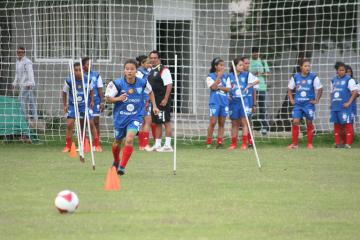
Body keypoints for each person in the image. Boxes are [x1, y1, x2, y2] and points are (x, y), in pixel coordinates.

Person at [105, 59, 159, 175]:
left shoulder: (143, 82)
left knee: (129, 139)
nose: (129, 71)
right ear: (124, 71)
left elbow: (150, 92)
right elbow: (108, 99)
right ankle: (116, 160)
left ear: (136, 71)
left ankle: (122, 167)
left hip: (135, 116)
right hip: (120, 118)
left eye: (132, 69)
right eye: (127, 69)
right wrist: (118, 99)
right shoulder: (117, 83)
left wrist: (154, 106)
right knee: (117, 141)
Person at [62, 62, 101, 152]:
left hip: (85, 105)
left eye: (80, 70)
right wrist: (65, 105)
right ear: (72, 71)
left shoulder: (88, 79)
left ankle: (96, 145)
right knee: (69, 124)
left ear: (83, 70)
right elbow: (64, 93)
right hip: (73, 105)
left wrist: (91, 100)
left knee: (91, 123)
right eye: (76, 70)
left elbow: (91, 90)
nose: (78, 72)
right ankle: (68, 146)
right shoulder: (69, 81)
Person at [287, 58, 323, 149]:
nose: (308, 68)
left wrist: (316, 100)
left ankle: (310, 144)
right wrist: (291, 99)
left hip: (308, 104)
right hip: (298, 104)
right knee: (295, 121)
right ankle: (294, 144)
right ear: (301, 67)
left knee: (309, 122)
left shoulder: (313, 77)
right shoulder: (295, 77)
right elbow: (289, 89)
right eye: (305, 66)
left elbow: (320, 88)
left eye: (309, 66)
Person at [228, 57, 259, 150]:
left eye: (243, 65)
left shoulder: (247, 75)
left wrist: (249, 85)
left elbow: (257, 80)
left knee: (244, 122)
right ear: (235, 66)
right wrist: (228, 95)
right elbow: (226, 88)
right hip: (233, 102)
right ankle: (233, 144)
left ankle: (244, 144)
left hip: (244, 101)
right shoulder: (229, 76)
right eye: (240, 65)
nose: (242, 67)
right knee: (234, 123)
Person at [147, 50, 173, 152]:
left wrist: (165, 98)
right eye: (151, 58)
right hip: (154, 101)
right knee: (157, 122)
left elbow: (169, 85)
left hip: (162, 101)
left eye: (155, 58)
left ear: (159, 59)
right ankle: (157, 145)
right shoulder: (151, 70)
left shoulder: (164, 70)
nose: (153, 60)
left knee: (165, 121)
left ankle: (167, 145)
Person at [330, 62, 358, 148]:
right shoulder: (333, 80)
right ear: (337, 71)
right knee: (337, 125)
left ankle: (348, 144)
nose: (341, 71)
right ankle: (338, 143)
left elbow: (355, 92)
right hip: (336, 106)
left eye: (343, 70)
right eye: (340, 70)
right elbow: (331, 93)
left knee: (348, 124)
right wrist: (331, 103)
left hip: (345, 107)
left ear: (345, 71)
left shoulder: (349, 80)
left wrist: (349, 102)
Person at [205, 57, 231, 149]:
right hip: (214, 102)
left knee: (222, 123)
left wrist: (219, 87)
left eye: (223, 65)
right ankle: (208, 141)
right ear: (216, 66)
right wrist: (218, 77)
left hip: (224, 102)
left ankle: (219, 142)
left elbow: (228, 89)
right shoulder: (210, 76)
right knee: (212, 122)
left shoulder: (227, 76)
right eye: (221, 65)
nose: (223, 67)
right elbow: (212, 87)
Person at [82, 57, 104, 151]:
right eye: (88, 64)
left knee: (96, 122)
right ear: (83, 66)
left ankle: (96, 144)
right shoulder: (79, 75)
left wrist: (102, 101)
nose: (90, 66)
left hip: (94, 102)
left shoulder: (96, 75)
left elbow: (100, 90)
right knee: (83, 123)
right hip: (82, 102)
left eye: (91, 64)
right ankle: (84, 143)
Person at [12, 46, 38, 121]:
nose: (20, 53)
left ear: (24, 53)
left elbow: (30, 72)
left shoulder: (27, 61)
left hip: (28, 84)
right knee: (31, 101)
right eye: (18, 52)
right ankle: (35, 118)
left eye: (21, 52)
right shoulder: (17, 62)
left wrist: (30, 83)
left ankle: (23, 118)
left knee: (20, 99)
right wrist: (14, 83)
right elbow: (17, 73)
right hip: (22, 84)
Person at [250, 47, 270, 135]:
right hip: (251, 87)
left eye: (256, 52)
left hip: (261, 87)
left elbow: (268, 74)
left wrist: (260, 74)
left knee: (262, 107)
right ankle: (249, 126)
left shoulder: (262, 61)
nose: (255, 54)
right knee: (250, 107)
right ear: (252, 53)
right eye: (254, 52)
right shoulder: (248, 61)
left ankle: (264, 127)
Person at [135, 55, 153, 151]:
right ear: (142, 64)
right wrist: (145, 101)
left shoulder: (146, 71)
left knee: (144, 122)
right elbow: (139, 87)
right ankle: (144, 144)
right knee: (147, 121)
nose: (150, 64)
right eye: (148, 63)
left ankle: (142, 145)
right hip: (142, 99)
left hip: (146, 99)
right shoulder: (139, 73)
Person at [242, 56, 258, 146]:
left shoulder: (251, 76)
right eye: (245, 63)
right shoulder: (236, 75)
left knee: (248, 121)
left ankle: (250, 141)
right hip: (238, 102)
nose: (247, 65)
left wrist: (254, 104)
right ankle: (236, 142)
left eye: (248, 63)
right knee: (236, 122)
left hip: (248, 102)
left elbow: (254, 90)